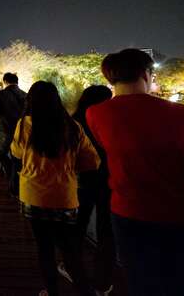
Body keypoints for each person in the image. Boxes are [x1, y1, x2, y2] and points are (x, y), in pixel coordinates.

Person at [86, 49, 184, 296]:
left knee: (140, 282)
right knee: (183, 283)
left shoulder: (95, 114)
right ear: (146, 73)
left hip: (127, 213)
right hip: (178, 215)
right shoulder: (183, 115)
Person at [12, 81, 100, 296]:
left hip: (34, 195)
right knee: (70, 250)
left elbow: (16, 152)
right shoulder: (72, 126)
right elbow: (92, 162)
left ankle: (52, 292)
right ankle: (84, 290)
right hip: (65, 197)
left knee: (44, 248)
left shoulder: (25, 124)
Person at [58, 85, 114, 295]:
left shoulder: (74, 122)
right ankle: (104, 281)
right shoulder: (111, 122)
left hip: (81, 181)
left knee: (76, 228)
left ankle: (72, 268)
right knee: (106, 231)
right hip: (109, 181)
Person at [0, 72, 27, 194]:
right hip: (22, 132)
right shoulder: (25, 95)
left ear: (5, 81)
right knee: (17, 158)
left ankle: (11, 179)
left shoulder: (1, 94)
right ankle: (16, 183)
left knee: (0, 154)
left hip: (5, 131)